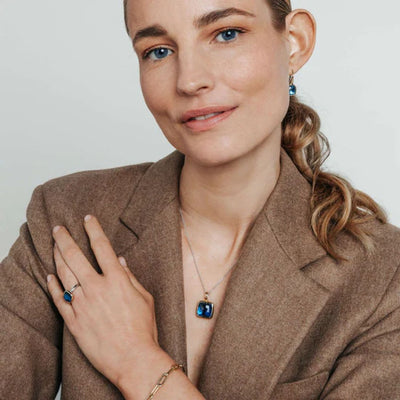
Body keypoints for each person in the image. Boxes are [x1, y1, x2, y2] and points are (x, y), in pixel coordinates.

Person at [1, 0, 400, 399]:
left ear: (295, 41)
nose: (190, 81)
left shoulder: (383, 275)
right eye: (158, 51)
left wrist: (138, 363)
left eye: (227, 34)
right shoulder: (66, 217)